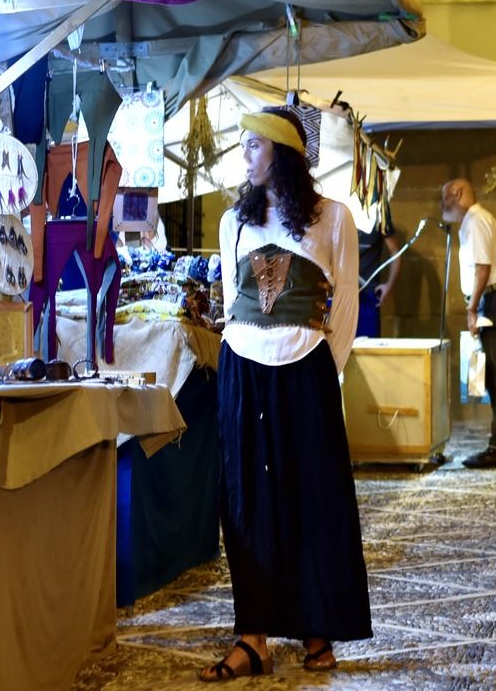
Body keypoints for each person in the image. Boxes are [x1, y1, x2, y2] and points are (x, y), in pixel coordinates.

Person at [201, 107, 371, 681]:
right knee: (246, 500)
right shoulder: (234, 223)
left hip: (307, 369)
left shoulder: (333, 218)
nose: (245, 156)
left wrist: (325, 368)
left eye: (253, 146)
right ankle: (253, 637)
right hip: (243, 368)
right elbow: (231, 302)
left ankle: (316, 625)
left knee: (312, 496)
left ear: (282, 152)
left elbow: (343, 306)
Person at [440, 178, 496, 469]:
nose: (443, 206)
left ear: (459, 193)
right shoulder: (481, 219)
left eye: (445, 198)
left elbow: (482, 268)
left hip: (495, 301)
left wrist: (472, 307)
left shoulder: (474, 221)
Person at [355, 222, 403, 338]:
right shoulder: (336, 208)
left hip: (367, 293)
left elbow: (395, 251)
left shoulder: (379, 209)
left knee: (369, 350)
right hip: (337, 294)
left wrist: (390, 285)